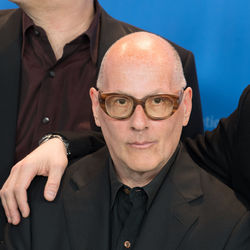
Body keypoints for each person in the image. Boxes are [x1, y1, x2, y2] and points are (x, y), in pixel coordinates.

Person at [5, 32, 250, 250]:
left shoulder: (231, 226)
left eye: (158, 102)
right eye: (120, 102)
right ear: (96, 106)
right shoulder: (39, 203)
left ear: (186, 106)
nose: (139, 123)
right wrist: (61, 142)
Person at [0, 0, 204, 247]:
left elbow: (177, 180)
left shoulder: (167, 64)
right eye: (121, 103)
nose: (139, 122)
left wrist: (64, 143)